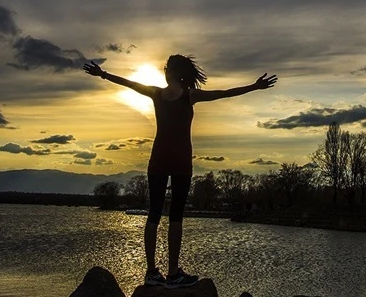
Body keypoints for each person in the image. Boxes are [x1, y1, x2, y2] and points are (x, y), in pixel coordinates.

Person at [83, 55, 277, 289]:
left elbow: (128, 83)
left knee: (153, 215)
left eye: (166, 68)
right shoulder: (189, 96)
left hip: (159, 159)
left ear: (170, 72)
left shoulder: (157, 93)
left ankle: (152, 272)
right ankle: (173, 274)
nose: (164, 72)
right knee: (176, 216)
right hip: (181, 161)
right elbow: (224, 93)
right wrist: (254, 87)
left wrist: (103, 74)